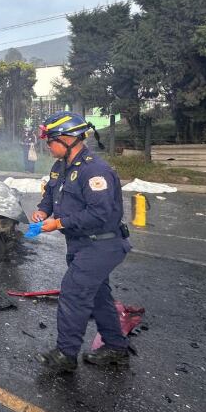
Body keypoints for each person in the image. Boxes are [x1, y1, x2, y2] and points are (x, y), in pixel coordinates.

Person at [31, 111, 132, 373]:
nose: (48, 146)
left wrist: (59, 224)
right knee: (99, 297)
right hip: (81, 245)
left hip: (102, 244)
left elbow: (100, 214)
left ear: (68, 139)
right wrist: (43, 212)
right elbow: (51, 194)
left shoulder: (95, 171)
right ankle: (116, 349)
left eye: (50, 140)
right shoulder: (60, 167)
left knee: (74, 294)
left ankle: (66, 355)